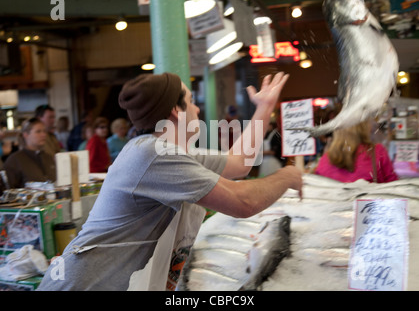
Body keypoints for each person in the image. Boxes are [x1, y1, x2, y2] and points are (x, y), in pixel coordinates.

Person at [37, 72, 302, 291]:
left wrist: (264, 107)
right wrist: (287, 175)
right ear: (176, 109)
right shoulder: (150, 153)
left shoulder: (175, 153)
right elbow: (243, 202)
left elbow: (241, 162)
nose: (198, 108)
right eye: (191, 99)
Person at [315, 120, 398, 183]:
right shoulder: (377, 151)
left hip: (334, 205)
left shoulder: (325, 158)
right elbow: (394, 186)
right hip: (369, 205)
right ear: (363, 128)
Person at [3, 118, 56, 188]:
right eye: (38, 131)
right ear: (26, 135)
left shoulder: (48, 157)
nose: (43, 135)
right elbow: (9, 190)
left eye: (44, 131)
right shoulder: (14, 160)